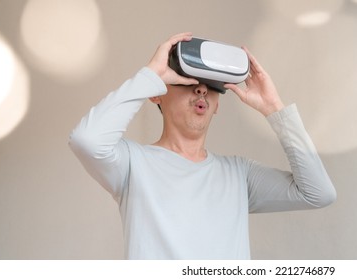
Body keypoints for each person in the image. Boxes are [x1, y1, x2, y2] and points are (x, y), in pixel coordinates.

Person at [69, 32, 336, 259]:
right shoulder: (132, 165)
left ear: (218, 105)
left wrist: (274, 109)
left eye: (211, 86)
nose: (201, 90)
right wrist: (149, 76)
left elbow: (319, 193)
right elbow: (87, 140)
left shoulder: (239, 175)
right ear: (156, 94)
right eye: (189, 81)